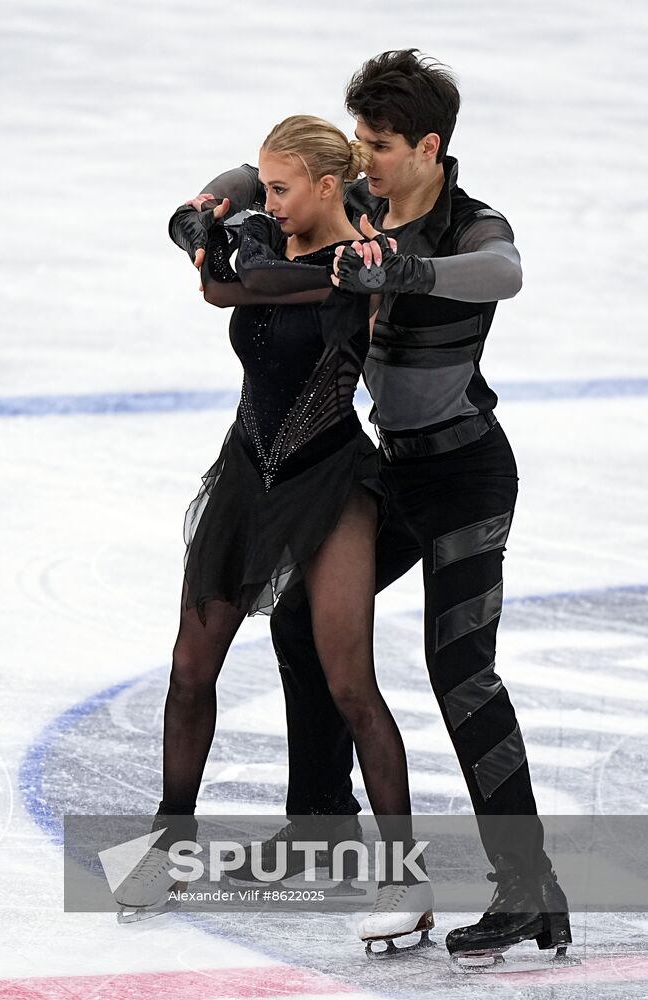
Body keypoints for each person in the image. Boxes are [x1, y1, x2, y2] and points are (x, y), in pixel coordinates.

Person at [168, 50, 572, 965]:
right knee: (302, 615)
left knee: (461, 672)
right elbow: (249, 172)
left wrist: (405, 276)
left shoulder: (472, 225)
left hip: (466, 479)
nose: (363, 160)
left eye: (380, 145)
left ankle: (527, 884)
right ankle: (322, 822)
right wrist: (199, 212)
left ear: (429, 145)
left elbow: (505, 273)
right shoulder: (362, 201)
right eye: (356, 143)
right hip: (391, 470)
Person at [116, 115, 434, 938]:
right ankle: (167, 841)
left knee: (350, 686)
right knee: (191, 671)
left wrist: (242, 252)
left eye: (285, 188)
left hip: (330, 484)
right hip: (244, 477)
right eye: (269, 187)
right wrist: (206, 215)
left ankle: (404, 880)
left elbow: (253, 285)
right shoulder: (275, 230)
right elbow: (222, 282)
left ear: (331, 186)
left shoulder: (359, 263)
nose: (272, 200)